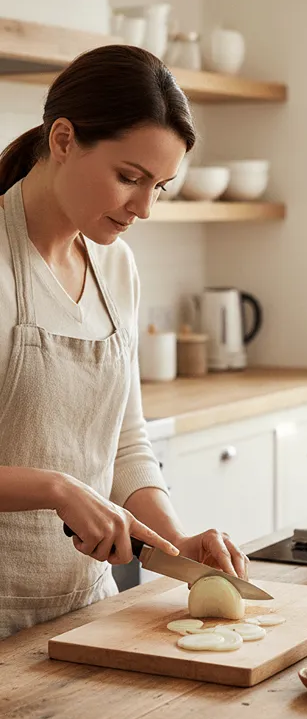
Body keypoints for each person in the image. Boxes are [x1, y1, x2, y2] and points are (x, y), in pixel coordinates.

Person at [0, 44, 248, 640]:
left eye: (160, 186)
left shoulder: (116, 266)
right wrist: (56, 488)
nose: (144, 208)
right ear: (64, 140)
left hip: (88, 610)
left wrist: (175, 540)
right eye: (129, 178)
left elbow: (125, 441)